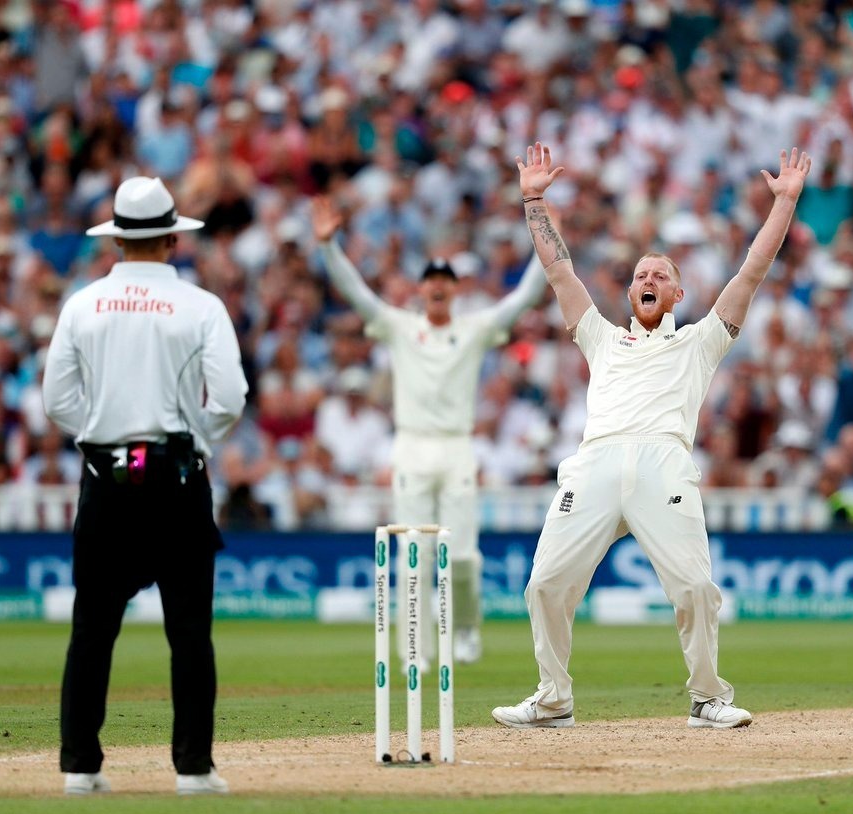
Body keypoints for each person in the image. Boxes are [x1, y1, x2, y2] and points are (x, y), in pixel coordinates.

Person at [492, 143, 811, 730]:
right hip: (594, 462)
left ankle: (708, 697)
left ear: (676, 296)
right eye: (640, 273)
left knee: (694, 586)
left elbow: (752, 270)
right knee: (544, 584)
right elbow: (559, 270)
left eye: (660, 275)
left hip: (665, 463)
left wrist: (784, 203)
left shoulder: (700, 341)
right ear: (629, 290)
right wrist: (534, 199)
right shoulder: (600, 336)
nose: (648, 278)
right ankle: (552, 697)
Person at [43, 176, 248, 795]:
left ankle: (80, 767)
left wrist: (104, 438)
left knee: (92, 629)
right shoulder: (201, 305)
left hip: (107, 479)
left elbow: (57, 401)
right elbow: (232, 397)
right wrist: (195, 439)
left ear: (118, 241)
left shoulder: (82, 304)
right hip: (177, 478)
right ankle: (193, 770)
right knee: (188, 631)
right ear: (170, 238)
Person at [312, 196, 546, 665]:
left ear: (455, 290)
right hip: (412, 448)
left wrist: (545, 233)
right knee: (412, 559)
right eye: (431, 280)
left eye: (446, 281)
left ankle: (464, 631)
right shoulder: (399, 327)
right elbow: (358, 294)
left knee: (461, 556)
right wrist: (328, 247)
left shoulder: (476, 328)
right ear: (422, 290)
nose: (438, 287)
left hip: (458, 447)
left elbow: (524, 298)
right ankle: (412, 650)